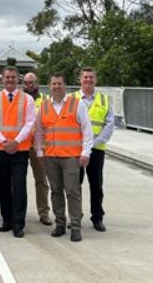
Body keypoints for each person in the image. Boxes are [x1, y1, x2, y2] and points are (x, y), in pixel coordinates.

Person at [34, 72, 93, 242]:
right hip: (51, 157)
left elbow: (87, 130)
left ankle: (75, 226)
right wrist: (39, 152)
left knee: (73, 191)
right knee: (56, 191)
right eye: (53, 84)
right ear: (49, 86)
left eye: (59, 83)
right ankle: (60, 223)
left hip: (71, 157)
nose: (56, 87)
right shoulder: (44, 106)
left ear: (65, 85)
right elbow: (39, 132)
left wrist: (85, 152)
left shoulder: (77, 104)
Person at [0, 66, 36, 238]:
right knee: (3, 186)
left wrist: (16, 141)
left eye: (13, 77)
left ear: (18, 79)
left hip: (20, 150)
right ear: (2, 79)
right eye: (7, 77)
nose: (10, 80)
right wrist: (4, 141)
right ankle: (7, 220)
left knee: (19, 186)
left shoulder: (27, 99)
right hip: (0, 149)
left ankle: (18, 223)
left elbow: (30, 123)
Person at [74, 67, 114, 233]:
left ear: (95, 80)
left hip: (96, 149)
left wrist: (92, 144)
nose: (88, 80)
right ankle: (75, 216)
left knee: (96, 184)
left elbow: (109, 125)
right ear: (80, 80)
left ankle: (97, 217)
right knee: (74, 185)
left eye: (91, 77)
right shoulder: (72, 99)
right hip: (76, 149)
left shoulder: (104, 100)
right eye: (85, 77)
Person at [21, 72, 53, 226]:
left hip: (39, 146)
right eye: (26, 83)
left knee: (41, 181)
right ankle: (18, 213)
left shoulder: (46, 100)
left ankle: (44, 213)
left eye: (32, 82)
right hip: (21, 145)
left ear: (37, 83)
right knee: (18, 181)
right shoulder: (19, 99)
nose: (29, 86)